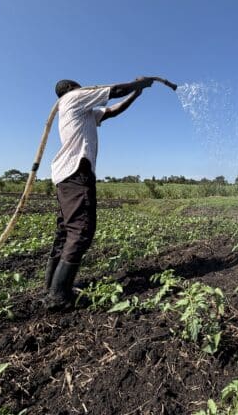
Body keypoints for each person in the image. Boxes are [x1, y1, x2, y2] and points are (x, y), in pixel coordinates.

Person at [44, 77, 155, 310]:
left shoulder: (83, 113)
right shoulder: (74, 98)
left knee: (66, 230)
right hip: (76, 172)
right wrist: (139, 83)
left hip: (67, 175)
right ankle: (58, 295)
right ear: (74, 89)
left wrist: (135, 94)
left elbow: (112, 111)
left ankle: (52, 286)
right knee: (81, 230)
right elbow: (113, 91)